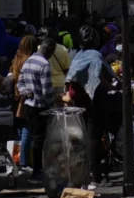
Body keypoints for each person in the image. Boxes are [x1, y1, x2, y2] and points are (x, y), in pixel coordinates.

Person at [64, 25, 118, 188]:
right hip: (94, 102)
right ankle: (95, 176)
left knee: (86, 138)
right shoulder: (96, 56)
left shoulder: (77, 56)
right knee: (93, 138)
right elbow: (99, 78)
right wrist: (116, 87)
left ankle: (89, 174)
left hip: (79, 104)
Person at [17, 36, 57, 184]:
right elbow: (47, 92)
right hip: (41, 108)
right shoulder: (45, 65)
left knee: (34, 138)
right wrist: (53, 108)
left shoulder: (29, 60)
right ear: (49, 49)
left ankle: (37, 169)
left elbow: (19, 83)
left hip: (29, 106)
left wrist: (26, 92)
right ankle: (38, 172)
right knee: (41, 140)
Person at [10, 32, 39, 174]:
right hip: (25, 98)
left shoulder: (16, 58)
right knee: (27, 130)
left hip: (15, 97)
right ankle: (24, 162)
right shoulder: (30, 60)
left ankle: (18, 159)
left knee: (20, 130)